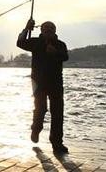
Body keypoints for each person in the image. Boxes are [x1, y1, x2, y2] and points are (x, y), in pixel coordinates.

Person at [17, 19, 69, 154]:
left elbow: (65, 57)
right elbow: (20, 42)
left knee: (57, 113)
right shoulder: (35, 42)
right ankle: (36, 129)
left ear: (55, 31)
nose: (49, 31)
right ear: (41, 30)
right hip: (38, 82)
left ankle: (57, 143)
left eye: (51, 29)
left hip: (56, 83)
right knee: (40, 109)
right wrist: (26, 28)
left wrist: (55, 53)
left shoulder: (60, 44)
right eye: (46, 29)